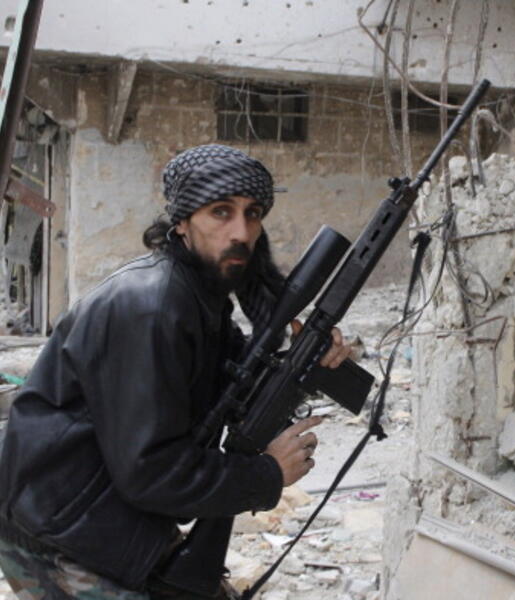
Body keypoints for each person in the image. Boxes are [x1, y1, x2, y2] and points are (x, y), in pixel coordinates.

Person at [0, 144, 351, 598]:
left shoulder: (199, 299)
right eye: (220, 212)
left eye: (253, 213)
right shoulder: (151, 306)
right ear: (182, 222)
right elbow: (152, 471)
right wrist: (266, 475)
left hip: (108, 510)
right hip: (57, 529)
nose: (241, 232)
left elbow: (238, 384)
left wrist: (309, 360)